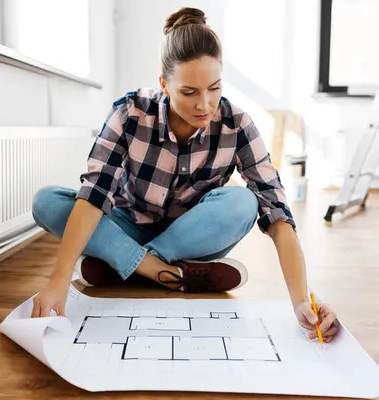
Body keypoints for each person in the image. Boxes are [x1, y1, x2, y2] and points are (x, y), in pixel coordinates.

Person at [30, 7, 338, 342]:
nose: (205, 104)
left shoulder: (237, 124)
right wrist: (57, 282)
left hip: (191, 237)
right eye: (189, 92)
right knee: (47, 201)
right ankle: (163, 273)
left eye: (215, 88)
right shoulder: (129, 113)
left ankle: (125, 262)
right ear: (165, 84)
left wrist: (301, 301)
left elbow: (278, 215)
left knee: (244, 202)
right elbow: (94, 195)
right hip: (128, 223)